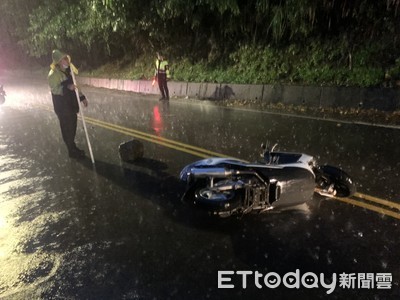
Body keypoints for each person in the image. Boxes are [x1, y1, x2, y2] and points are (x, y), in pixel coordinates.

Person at [48, 49, 88, 159]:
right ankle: (71, 150)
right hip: (62, 106)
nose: (66, 61)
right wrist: (66, 87)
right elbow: (55, 89)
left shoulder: (69, 71)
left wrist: (81, 97)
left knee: (72, 126)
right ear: (58, 62)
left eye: (66, 58)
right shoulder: (53, 74)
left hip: (70, 104)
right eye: (63, 59)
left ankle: (72, 147)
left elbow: (75, 85)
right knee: (67, 128)